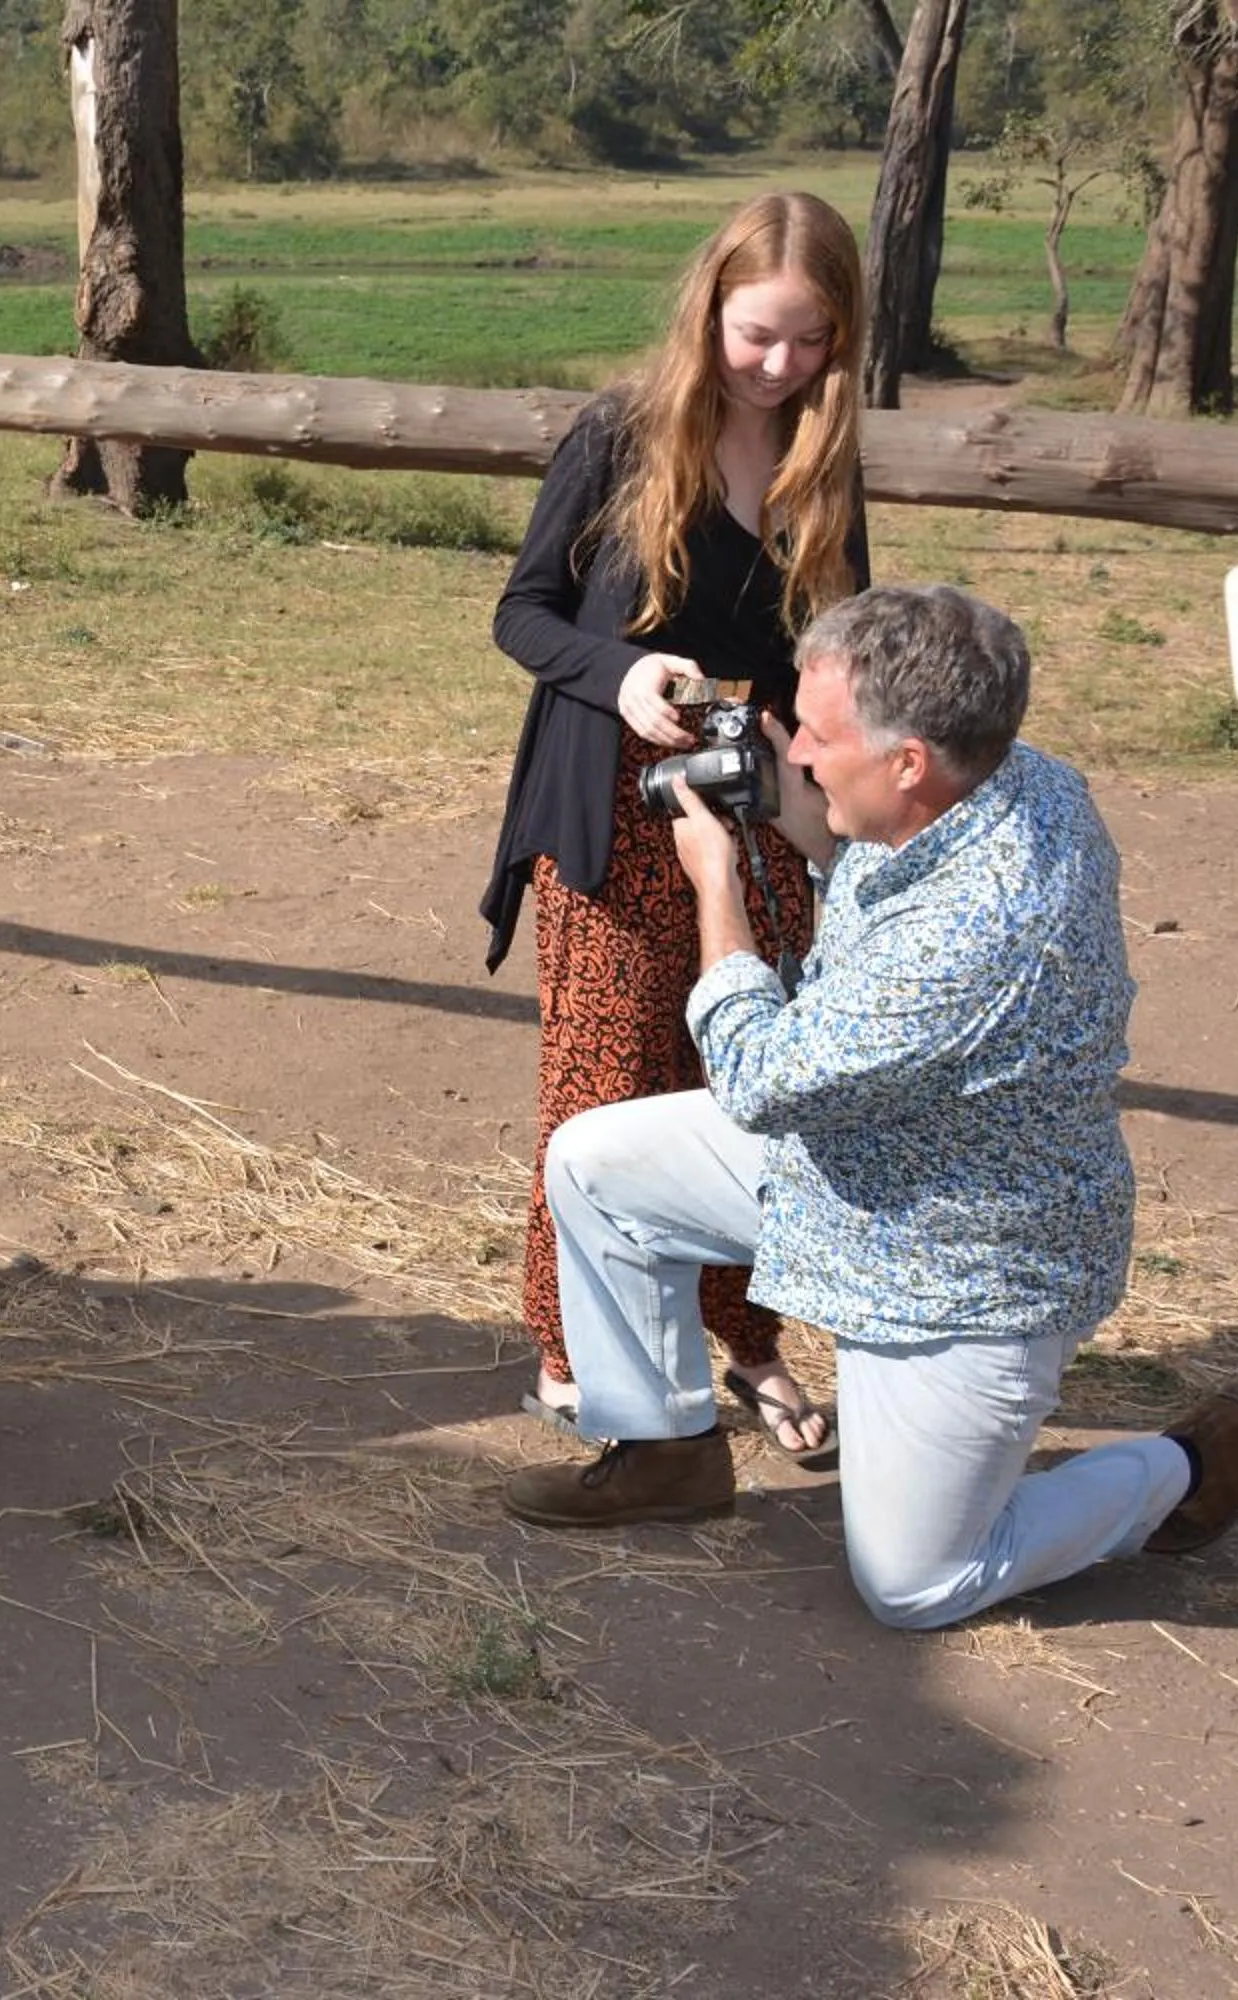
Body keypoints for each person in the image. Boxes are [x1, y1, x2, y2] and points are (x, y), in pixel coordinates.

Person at [501, 584, 1238, 1630]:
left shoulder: (982, 926)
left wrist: (716, 882)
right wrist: (792, 809)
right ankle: (665, 1451)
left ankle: (1176, 1471)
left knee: (914, 1583)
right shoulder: (1011, 775)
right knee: (597, 1161)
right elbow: (876, 863)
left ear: (909, 760)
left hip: (958, 1262)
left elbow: (760, 1078)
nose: (798, 751)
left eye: (818, 739)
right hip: (861, 1163)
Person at [482, 193, 873, 1465]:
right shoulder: (620, 432)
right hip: (612, 802)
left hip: (762, 805)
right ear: (708, 310)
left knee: (750, 1085)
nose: (778, 364)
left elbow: (839, 650)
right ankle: (572, 1353)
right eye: (757, 333)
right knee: (603, 1085)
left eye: (809, 340)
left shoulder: (824, 458)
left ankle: (746, 1336)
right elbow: (523, 614)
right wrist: (621, 674)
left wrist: (827, 797)